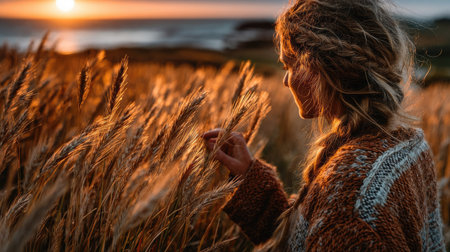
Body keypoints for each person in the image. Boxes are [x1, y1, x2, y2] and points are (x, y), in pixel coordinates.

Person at [203, 0, 446, 251]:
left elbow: (339, 221)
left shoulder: (351, 197)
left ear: (319, 68)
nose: (286, 81)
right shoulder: (410, 145)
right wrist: (249, 177)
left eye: (289, 65)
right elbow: (309, 236)